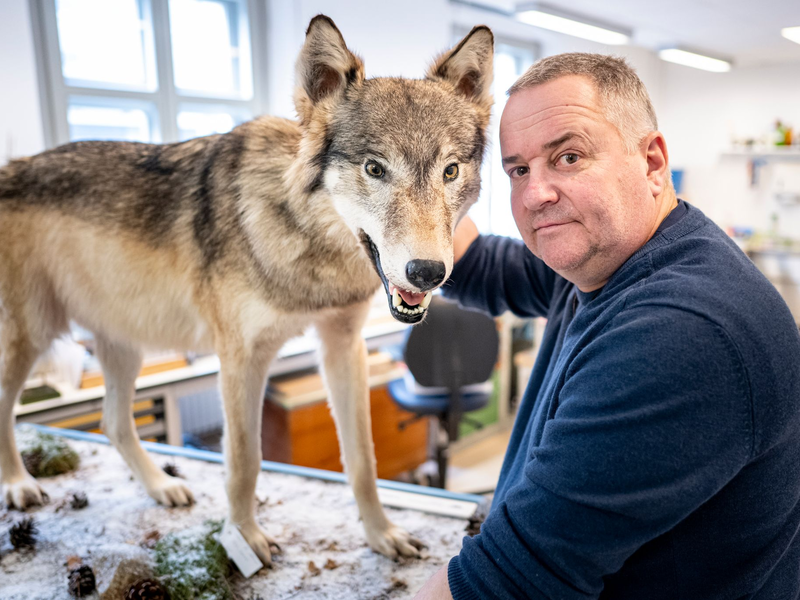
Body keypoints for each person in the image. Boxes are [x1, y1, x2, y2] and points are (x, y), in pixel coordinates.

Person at [414, 53, 800, 599]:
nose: (536, 194)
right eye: (519, 170)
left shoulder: (680, 332)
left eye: (568, 157)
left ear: (652, 163)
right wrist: (395, 175)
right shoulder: (599, 258)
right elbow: (476, 264)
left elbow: (505, 584)